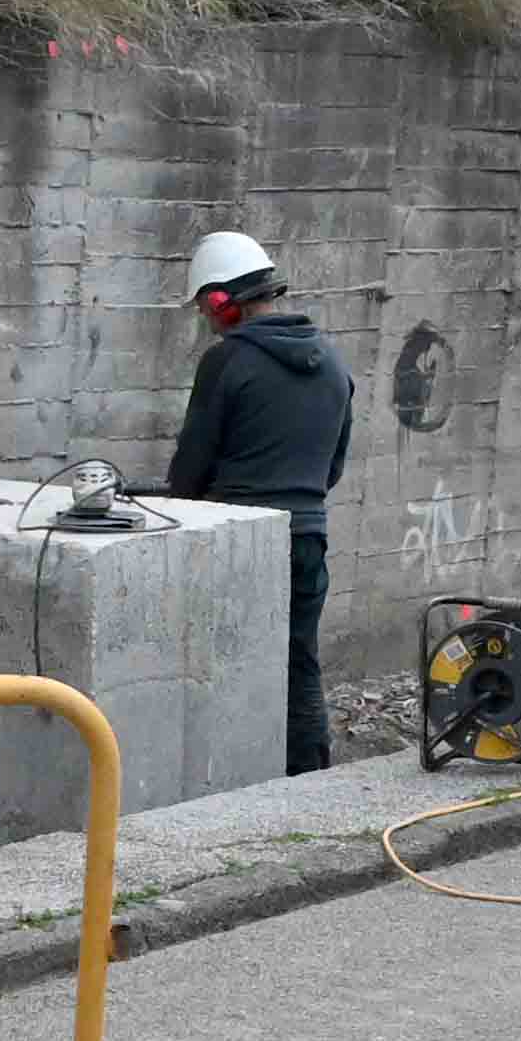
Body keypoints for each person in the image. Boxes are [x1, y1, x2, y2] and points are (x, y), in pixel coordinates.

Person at [166, 228, 353, 775]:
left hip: (239, 538)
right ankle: (306, 782)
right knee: (300, 664)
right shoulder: (334, 363)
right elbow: (332, 467)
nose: (205, 318)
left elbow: (189, 472)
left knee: (220, 664)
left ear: (223, 303)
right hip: (307, 537)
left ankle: (229, 782)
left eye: (205, 306)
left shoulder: (226, 362)